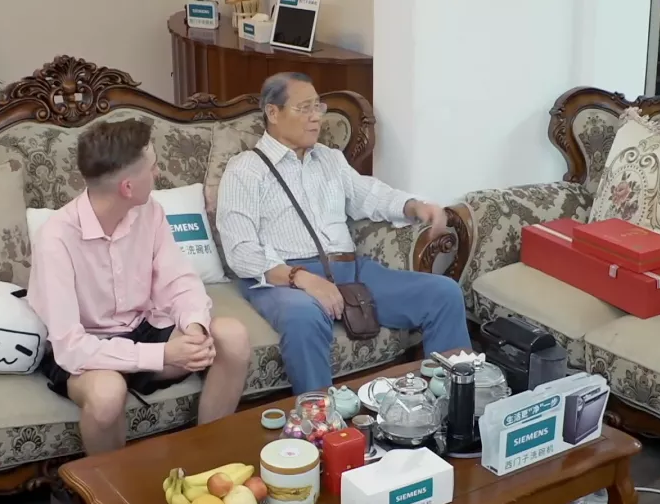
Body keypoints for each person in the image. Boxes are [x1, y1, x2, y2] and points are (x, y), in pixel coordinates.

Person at [215, 72, 471, 395]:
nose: (316, 117)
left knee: (444, 294)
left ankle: (453, 404)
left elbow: (370, 195)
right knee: (303, 317)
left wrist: (414, 206)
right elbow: (240, 251)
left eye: (318, 107)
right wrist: (302, 279)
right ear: (273, 113)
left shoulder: (330, 159)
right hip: (284, 279)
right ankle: (321, 418)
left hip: (350, 271)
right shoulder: (245, 170)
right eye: (304, 108)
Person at [28, 119, 251, 455]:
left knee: (231, 336)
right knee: (107, 394)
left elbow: (179, 281)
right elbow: (71, 348)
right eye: (153, 166)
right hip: (89, 348)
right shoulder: (55, 238)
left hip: (143, 328)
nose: (158, 173)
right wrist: (163, 354)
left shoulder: (150, 211)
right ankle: (112, 485)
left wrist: (194, 327)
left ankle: (209, 458)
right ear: (128, 187)